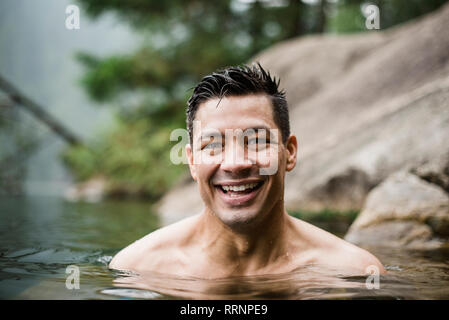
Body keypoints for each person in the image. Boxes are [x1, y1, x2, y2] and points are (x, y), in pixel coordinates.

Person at [109, 63, 386, 278]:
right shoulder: (138, 269)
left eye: (257, 141)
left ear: (289, 152)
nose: (235, 163)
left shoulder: (351, 273)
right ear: (192, 162)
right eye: (213, 144)